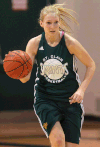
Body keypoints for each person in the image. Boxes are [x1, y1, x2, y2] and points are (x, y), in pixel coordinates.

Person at [20, 3, 96, 147]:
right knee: (58, 140)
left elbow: (91, 64)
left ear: (60, 22)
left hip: (70, 100)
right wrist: (18, 72)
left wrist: (81, 90)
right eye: (48, 23)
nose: (53, 26)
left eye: (56, 22)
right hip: (46, 99)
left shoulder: (69, 43)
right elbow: (25, 78)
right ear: (41, 23)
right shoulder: (34, 43)